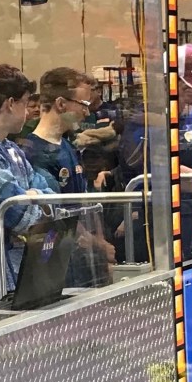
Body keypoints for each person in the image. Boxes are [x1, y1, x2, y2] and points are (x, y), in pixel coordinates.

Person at [0, 64, 60, 292]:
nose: (27, 112)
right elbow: (21, 216)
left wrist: (32, 196)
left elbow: (51, 194)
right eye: (25, 104)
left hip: (18, 275)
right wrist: (32, 198)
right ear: (10, 104)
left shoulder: (12, 150)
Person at [21, 66, 116, 284]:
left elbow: (86, 202)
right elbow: (57, 213)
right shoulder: (34, 154)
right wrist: (98, 245)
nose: (87, 112)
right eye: (83, 104)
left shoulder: (68, 146)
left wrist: (100, 246)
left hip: (86, 261)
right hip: (59, 263)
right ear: (61, 104)